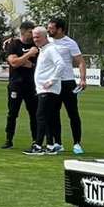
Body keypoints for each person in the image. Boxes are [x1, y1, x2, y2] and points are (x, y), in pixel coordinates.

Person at [26, 26, 69, 156]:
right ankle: (51, 145)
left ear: (45, 37)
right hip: (43, 90)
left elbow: (61, 64)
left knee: (41, 116)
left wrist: (52, 80)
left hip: (49, 90)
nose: (35, 39)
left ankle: (38, 145)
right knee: (48, 117)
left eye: (38, 37)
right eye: (34, 37)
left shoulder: (50, 49)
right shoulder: (44, 50)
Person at [47, 17, 86, 154]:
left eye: (52, 28)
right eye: (48, 28)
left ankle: (77, 143)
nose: (49, 30)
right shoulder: (47, 41)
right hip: (53, 83)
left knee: (73, 113)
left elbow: (80, 61)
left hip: (68, 82)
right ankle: (58, 143)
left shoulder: (70, 43)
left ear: (60, 29)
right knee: (53, 113)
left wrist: (83, 79)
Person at [2, 22, 39, 150]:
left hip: (32, 85)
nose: (33, 34)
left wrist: (21, 61)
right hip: (15, 85)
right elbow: (13, 62)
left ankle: (36, 141)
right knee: (12, 113)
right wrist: (28, 55)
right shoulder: (13, 44)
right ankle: (8, 140)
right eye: (31, 32)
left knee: (34, 114)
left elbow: (35, 65)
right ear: (23, 32)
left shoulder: (37, 45)